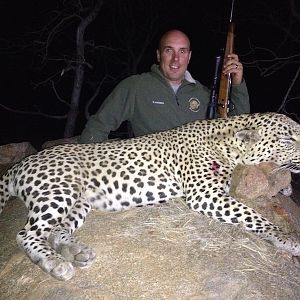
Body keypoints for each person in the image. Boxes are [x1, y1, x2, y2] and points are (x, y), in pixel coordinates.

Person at [79, 29, 250, 143]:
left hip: (196, 176)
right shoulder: (135, 86)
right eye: (169, 50)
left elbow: (239, 127)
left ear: (189, 57)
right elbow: (98, 126)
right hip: (153, 175)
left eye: (182, 51)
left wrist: (237, 84)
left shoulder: (204, 93)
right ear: (159, 55)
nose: (176, 59)